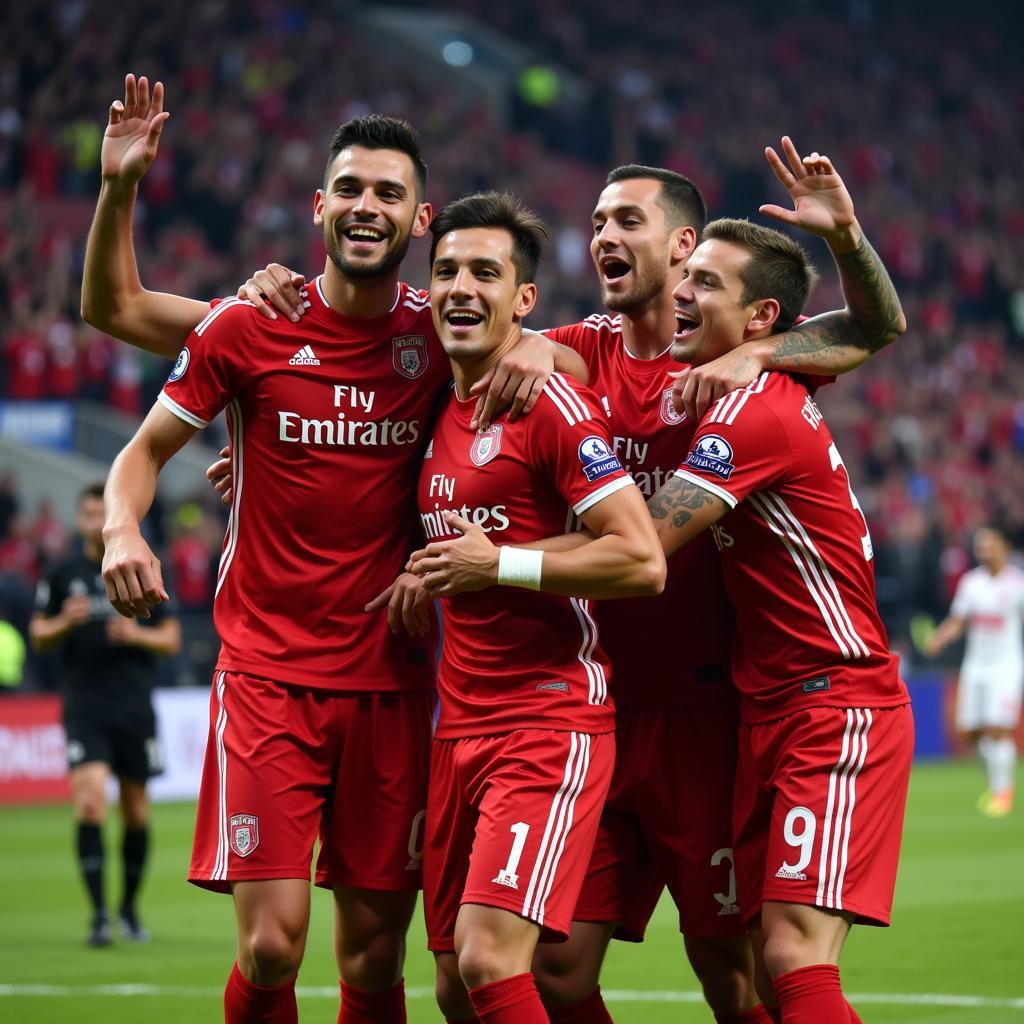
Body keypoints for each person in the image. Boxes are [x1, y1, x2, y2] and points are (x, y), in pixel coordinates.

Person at [87, 75, 584, 1024]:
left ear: (420, 218)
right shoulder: (250, 324)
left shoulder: (439, 335)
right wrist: (121, 527)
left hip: (393, 684)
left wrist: (538, 348)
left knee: (369, 960)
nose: (368, 208)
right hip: (267, 675)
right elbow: (140, 447)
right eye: (351, 189)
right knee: (272, 948)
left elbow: (576, 360)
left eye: (389, 195)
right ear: (320, 206)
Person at [407, 141, 906, 1024]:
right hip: (596, 711)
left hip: (715, 717)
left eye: (627, 220)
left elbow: (872, 328)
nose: (602, 234)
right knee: (553, 972)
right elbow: (450, 336)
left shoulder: (746, 376)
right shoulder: (570, 354)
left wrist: (772, 343)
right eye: (597, 220)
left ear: (685, 253)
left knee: (742, 972)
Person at [405, 190, 664, 1024]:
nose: (460, 288)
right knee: (456, 986)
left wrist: (498, 566)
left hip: (547, 720)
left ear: (524, 302)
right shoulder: (441, 403)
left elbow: (639, 555)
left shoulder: (546, 402)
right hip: (458, 730)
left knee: (488, 960)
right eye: (445, 270)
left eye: (486, 272)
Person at [29, 483, 181, 946]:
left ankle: (129, 910)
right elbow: (38, 634)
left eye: (102, 512)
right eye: (89, 513)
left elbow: (171, 639)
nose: (96, 521)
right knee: (91, 802)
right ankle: (98, 916)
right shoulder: (61, 573)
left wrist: (137, 637)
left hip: (134, 704)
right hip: (84, 704)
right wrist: (60, 624)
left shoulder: (142, 564)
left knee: (135, 811)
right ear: (79, 520)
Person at [926, 525, 1024, 816]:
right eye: (980, 544)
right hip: (976, 666)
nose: (983, 549)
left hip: (1006, 666)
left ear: (1004, 547)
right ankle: (995, 784)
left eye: (989, 543)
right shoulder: (972, 583)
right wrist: (940, 638)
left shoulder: (1017, 584)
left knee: (996, 729)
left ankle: (1002, 793)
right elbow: (959, 620)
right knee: (970, 733)